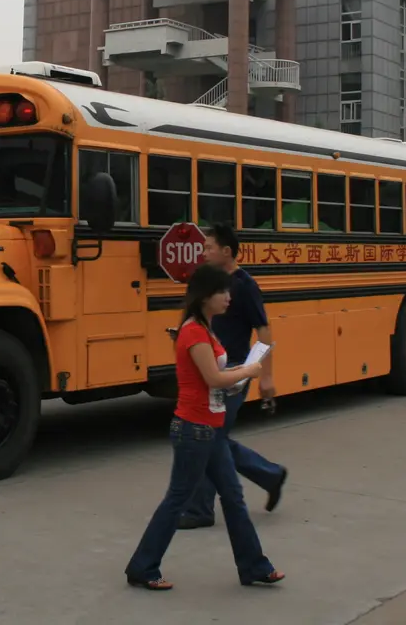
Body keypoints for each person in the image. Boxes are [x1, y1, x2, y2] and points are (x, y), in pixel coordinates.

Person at [124, 264, 280, 591]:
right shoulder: (194, 332)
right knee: (177, 500)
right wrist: (249, 371)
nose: (228, 297)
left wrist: (241, 374)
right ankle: (142, 566)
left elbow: (217, 380)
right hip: (194, 431)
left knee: (233, 497)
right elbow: (213, 378)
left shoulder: (206, 329)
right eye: (222, 291)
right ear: (205, 296)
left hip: (211, 428)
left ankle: (254, 566)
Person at [179, 224, 285, 529]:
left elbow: (263, 331)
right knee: (213, 438)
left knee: (208, 437)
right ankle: (270, 475)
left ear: (226, 251)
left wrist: (266, 377)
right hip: (211, 368)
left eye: (209, 247)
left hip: (235, 372)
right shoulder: (210, 284)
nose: (203, 252)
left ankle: (200, 509)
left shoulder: (244, 286)